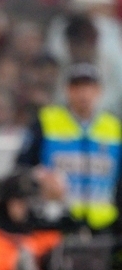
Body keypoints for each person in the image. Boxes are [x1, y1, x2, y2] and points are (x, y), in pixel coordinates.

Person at [17, 62, 122, 233]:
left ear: (99, 91)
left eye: (88, 87)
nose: (83, 93)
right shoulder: (46, 122)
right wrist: (41, 179)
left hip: (105, 225)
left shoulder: (114, 128)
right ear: (67, 90)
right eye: (76, 87)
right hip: (56, 222)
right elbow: (22, 168)